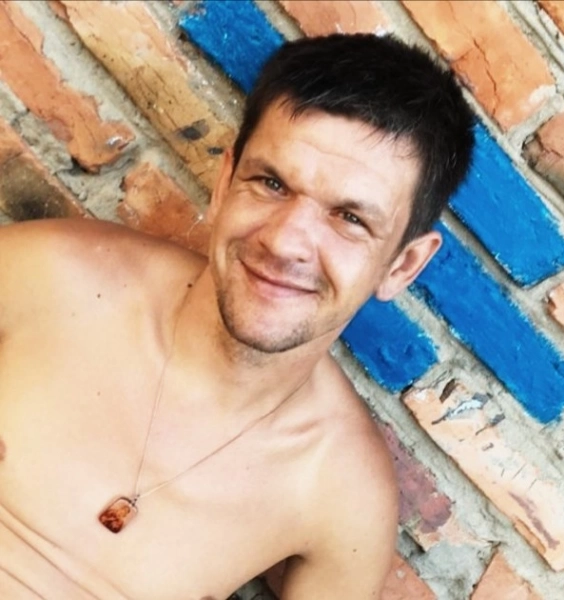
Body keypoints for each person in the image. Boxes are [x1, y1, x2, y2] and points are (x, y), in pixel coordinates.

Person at [0, 33, 473, 599]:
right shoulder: (54, 277)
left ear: (403, 264)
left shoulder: (339, 490)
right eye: (271, 184)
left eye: (349, 218)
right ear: (225, 184)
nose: (286, 242)